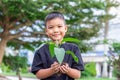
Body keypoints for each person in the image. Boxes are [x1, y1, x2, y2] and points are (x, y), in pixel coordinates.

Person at [31, 11, 84, 80]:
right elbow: (38, 75)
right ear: (46, 31)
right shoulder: (40, 50)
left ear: (65, 28)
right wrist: (51, 70)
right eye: (51, 27)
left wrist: (67, 70)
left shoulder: (73, 49)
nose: (55, 30)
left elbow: (77, 75)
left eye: (59, 26)